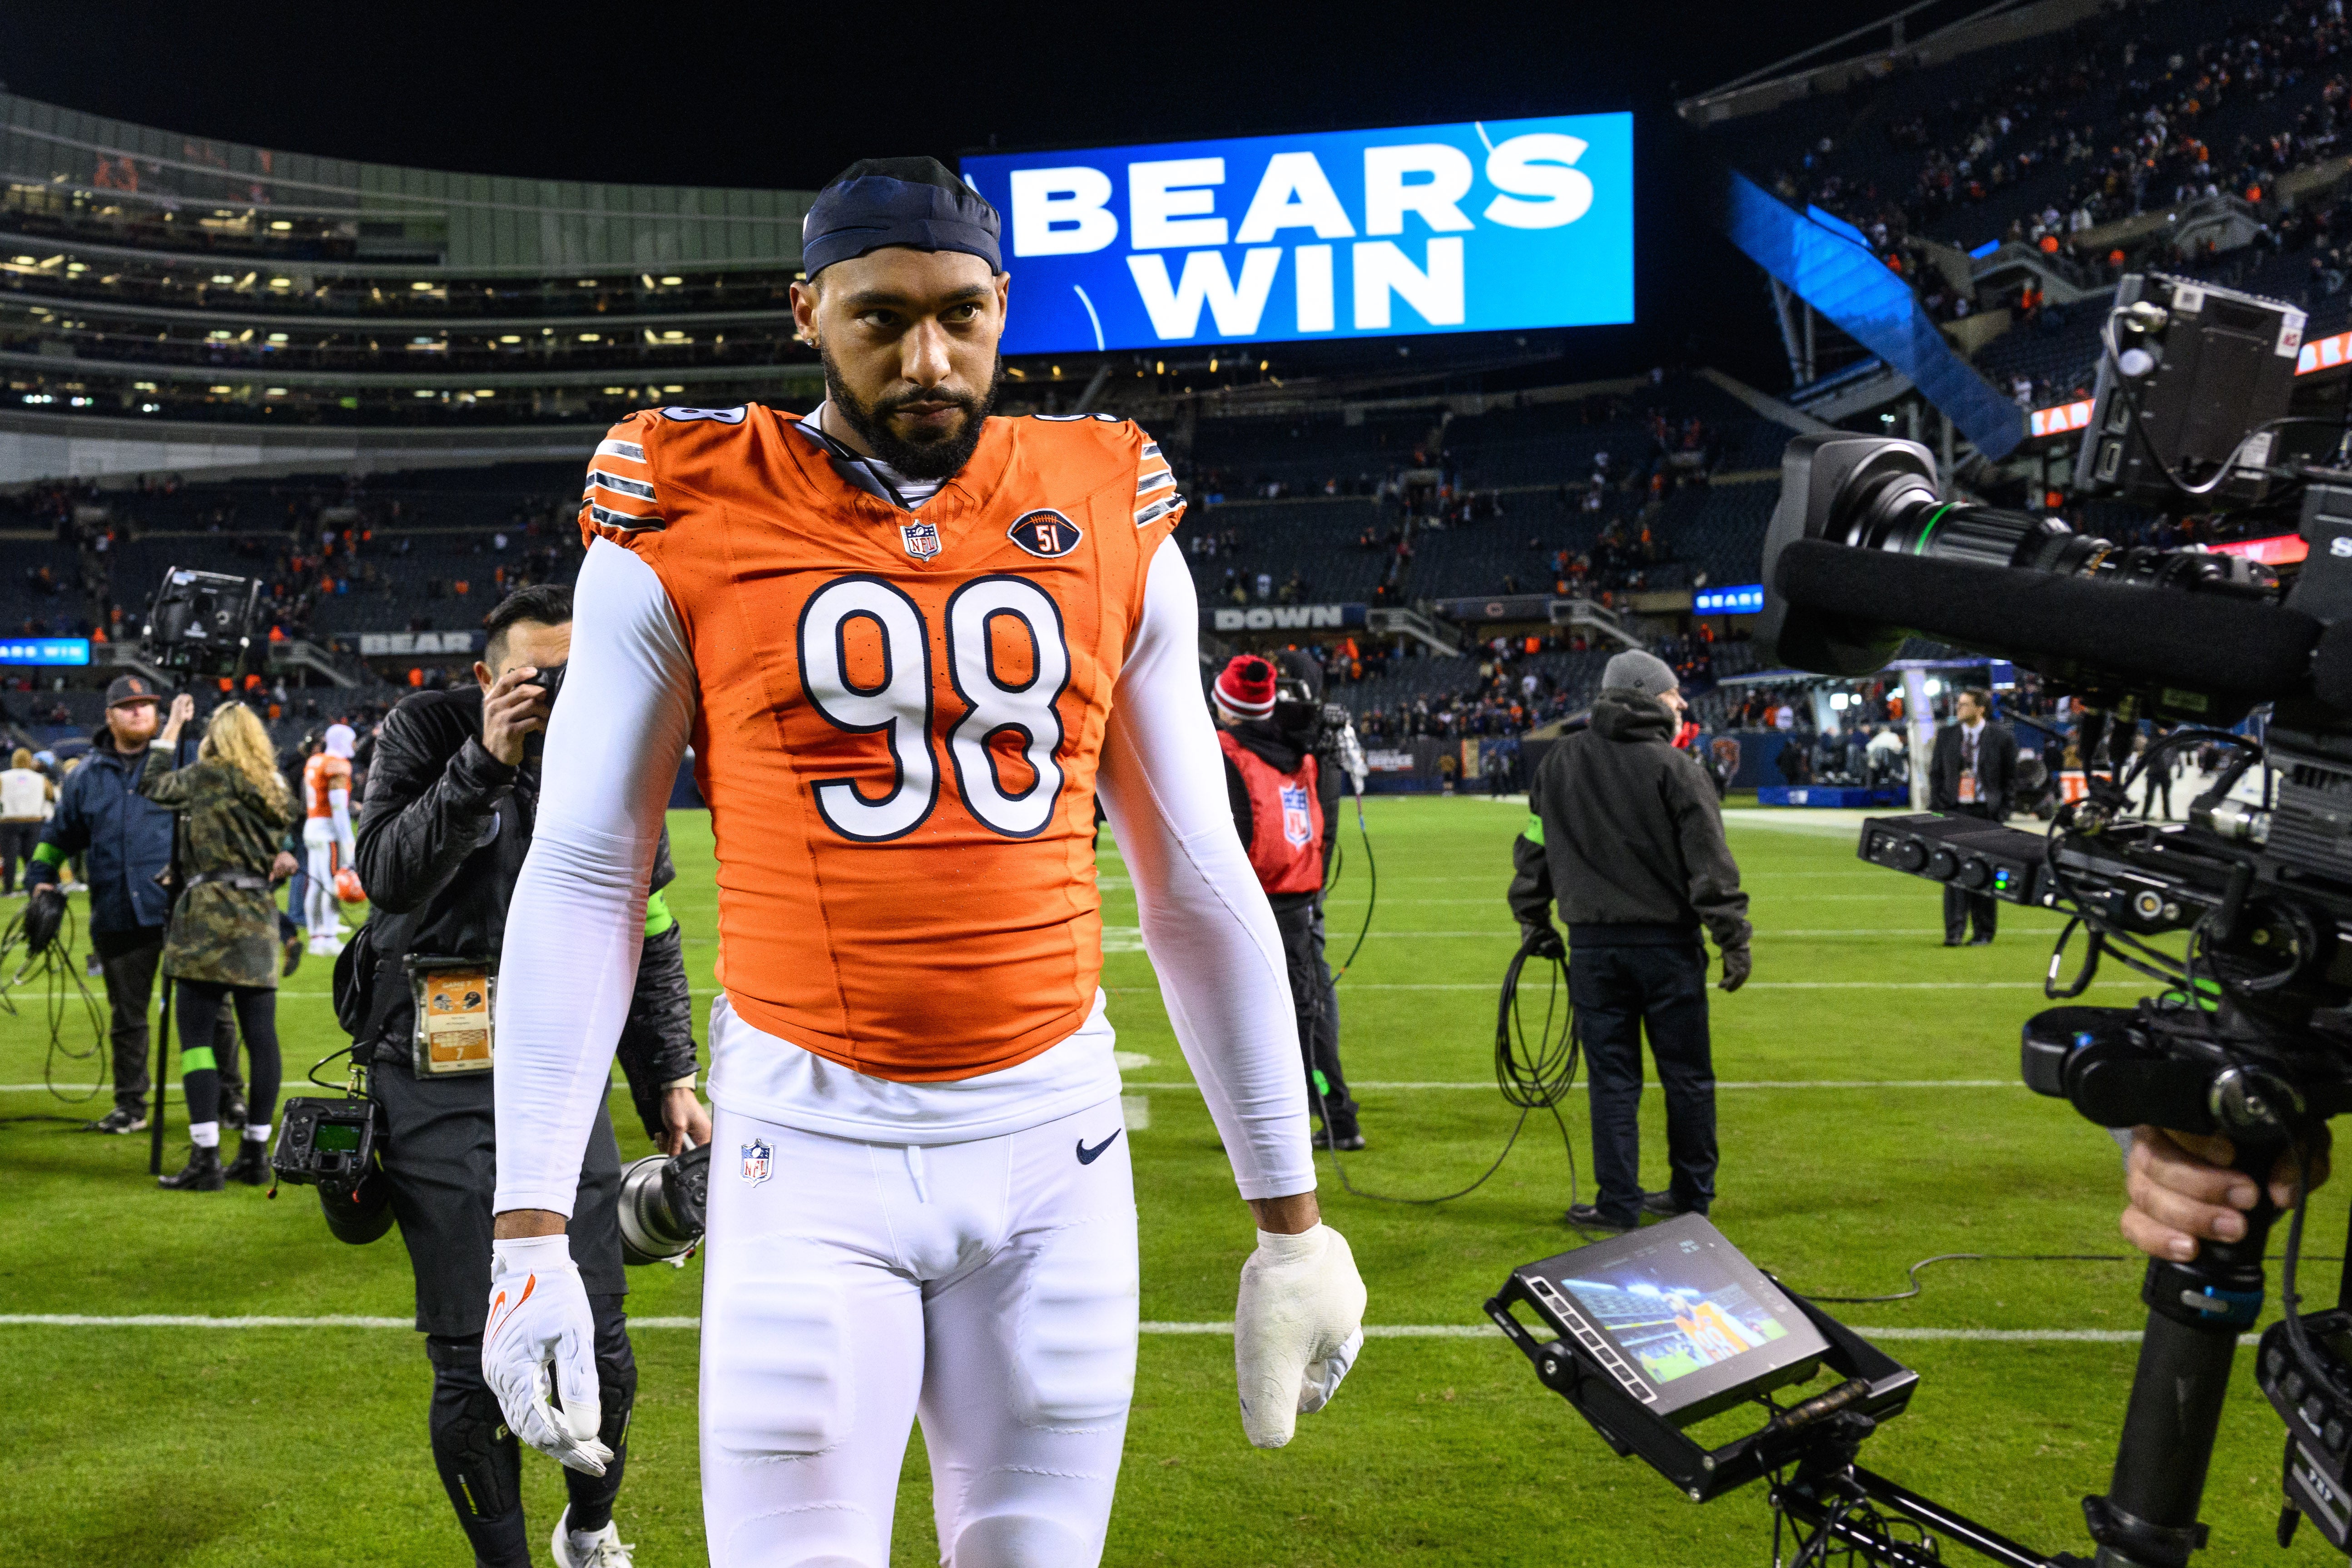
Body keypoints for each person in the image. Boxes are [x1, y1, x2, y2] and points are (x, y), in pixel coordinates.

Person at [483, 157, 1365, 1568]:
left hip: (1054, 1150)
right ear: (806, 311)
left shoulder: (1104, 493)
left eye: (961, 313)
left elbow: (1198, 876)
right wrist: (528, 1222)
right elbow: (590, 868)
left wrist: (1290, 1220)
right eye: (879, 317)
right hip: (805, 1143)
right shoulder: (685, 494)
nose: (928, 354)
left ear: (1004, 305)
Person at [356, 583, 705, 1568]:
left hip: (560, 1064)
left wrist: (671, 1075)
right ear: (486, 675)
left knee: (602, 1337)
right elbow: (386, 874)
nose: (557, 692)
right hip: (438, 1063)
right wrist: (486, 761)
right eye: (537, 674)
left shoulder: (609, 744)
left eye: (575, 673)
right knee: (474, 1357)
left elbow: (651, 924)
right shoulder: (426, 729)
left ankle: (589, 1531)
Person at [1508, 649, 1752, 1233]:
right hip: (1668, 948)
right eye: (1672, 693)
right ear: (1646, 695)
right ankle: (1693, 1196)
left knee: (1613, 1080)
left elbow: (1533, 848)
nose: (1682, 702)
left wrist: (1534, 920)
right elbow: (1711, 864)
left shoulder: (1560, 762)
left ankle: (1617, 1201)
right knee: (1687, 1076)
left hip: (1593, 950)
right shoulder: (1676, 767)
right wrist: (1732, 937)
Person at [25, 674, 239, 1134]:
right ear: (109, 716)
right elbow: (58, 836)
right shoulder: (84, 776)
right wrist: (41, 876)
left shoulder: (188, 759)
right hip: (120, 909)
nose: (140, 711)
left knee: (213, 1013)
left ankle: (230, 1100)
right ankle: (130, 1106)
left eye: (147, 704)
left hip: (188, 909)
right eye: (128, 705)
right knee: (128, 1018)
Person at [1211, 653, 1367, 1151]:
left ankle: (1282, 1119)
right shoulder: (1306, 746)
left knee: (1257, 1016)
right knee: (1308, 1007)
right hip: (1301, 889)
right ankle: (1332, 1112)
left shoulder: (1230, 751)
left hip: (1253, 897)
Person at [139, 695, 294, 1191]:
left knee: (197, 1041)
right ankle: (255, 1151)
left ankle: (205, 1155)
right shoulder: (274, 786)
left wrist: (172, 727)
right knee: (261, 1038)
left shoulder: (207, 776)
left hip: (206, 916)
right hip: (257, 914)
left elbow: (150, 785)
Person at [1930, 687, 2017, 945]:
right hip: (1955, 810)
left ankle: (1984, 933)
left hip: (1985, 811)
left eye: (1966, 705)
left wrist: (2002, 812)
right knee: (1951, 870)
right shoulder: (1947, 736)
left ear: (1981, 708)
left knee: (1985, 872)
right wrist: (1938, 808)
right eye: (1959, 704)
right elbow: (1936, 774)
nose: (1959, 709)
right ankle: (1954, 933)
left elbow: (2010, 779)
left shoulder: (2001, 738)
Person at [302, 722, 358, 954]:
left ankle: (316, 936)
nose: (354, 745)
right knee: (333, 885)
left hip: (312, 826)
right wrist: (348, 842)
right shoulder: (337, 765)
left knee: (316, 885)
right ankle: (328, 938)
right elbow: (339, 810)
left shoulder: (316, 761)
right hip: (327, 830)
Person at [2, 744, 54, 894]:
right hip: (34, 821)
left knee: (10, 856)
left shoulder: (3, 777)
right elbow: (51, 797)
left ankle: (8, 890)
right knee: (31, 856)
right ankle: (32, 886)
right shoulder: (41, 779)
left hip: (9, 822)